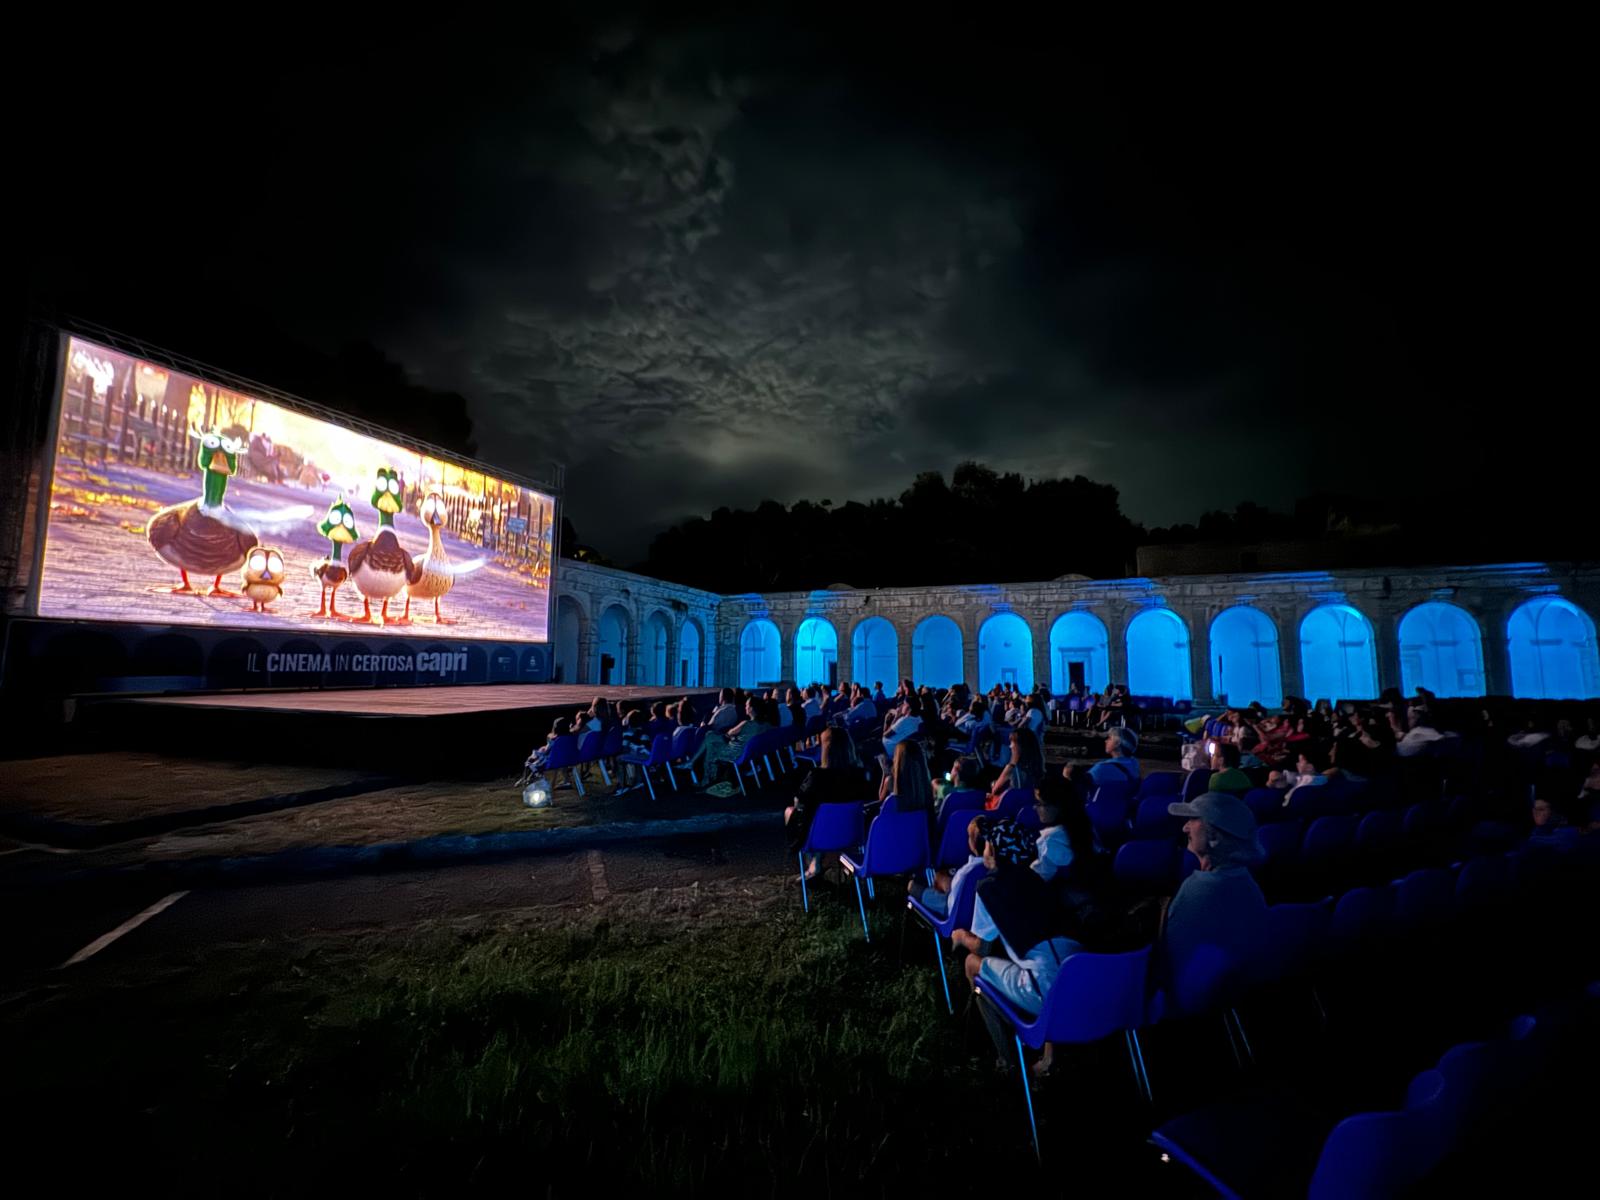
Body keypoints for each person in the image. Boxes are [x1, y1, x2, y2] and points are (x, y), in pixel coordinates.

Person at [954, 819, 1079, 1075]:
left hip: (1043, 991)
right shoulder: (1039, 879)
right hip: (1079, 982)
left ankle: (1006, 1061)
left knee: (972, 965)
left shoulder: (990, 886)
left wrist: (961, 937)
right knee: (1048, 964)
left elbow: (984, 948)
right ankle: (1048, 1056)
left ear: (994, 851)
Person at [1159, 792, 1268, 1014]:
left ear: (1215, 835)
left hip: (1191, 1009)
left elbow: (1173, 963)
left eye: (1193, 820)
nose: (1185, 828)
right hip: (1230, 1006)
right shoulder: (1248, 884)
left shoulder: (1199, 889)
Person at [787, 728, 868, 870]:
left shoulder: (817, 776)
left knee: (793, 811)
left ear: (827, 749)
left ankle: (812, 862)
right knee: (819, 814)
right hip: (851, 833)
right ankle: (815, 862)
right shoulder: (859, 775)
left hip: (817, 837)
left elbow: (800, 800)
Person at [909, 813, 990, 917]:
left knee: (912, 886)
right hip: (971, 907)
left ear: (972, 844)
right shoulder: (994, 866)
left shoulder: (966, 872)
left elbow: (952, 902)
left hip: (950, 909)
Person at [687, 696, 772, 786]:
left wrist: (733, 737)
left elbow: (729, 733)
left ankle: (704, 776)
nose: (745, 707)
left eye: (747, 705)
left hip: (734, 753)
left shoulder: (746, 723)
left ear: (751, 709)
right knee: (710, 739)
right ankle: (707, 775)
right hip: (748, 752)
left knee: (710, 741)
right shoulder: (766, 725)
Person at [877, 740, 936, 836]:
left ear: (898, 759)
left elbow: (881, 803)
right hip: (918, 843)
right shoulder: (926, 790)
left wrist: (884, 773)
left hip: (893, 839)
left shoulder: (891, 782)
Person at [987, 727, 1045, 808]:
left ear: (1021, 746)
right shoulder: (1038, 767)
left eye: (1012, 742)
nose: (1010, 746)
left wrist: (994, 784)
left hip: (1012, 808)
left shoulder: (1014, 769)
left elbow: (995, 790)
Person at [1030, 780, 1074, 883]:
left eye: (1039, 803)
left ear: (1057, 807)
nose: (1035, 807)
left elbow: (1042, 877)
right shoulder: (1087, 826)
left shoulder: (1050, 840)